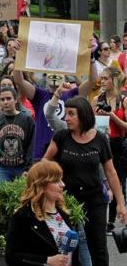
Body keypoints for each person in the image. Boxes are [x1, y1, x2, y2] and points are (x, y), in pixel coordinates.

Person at [44, 96, 126, 266]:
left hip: (94, 199)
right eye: (66, 114)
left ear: (83, 116)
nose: (66, 118)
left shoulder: (100, 139)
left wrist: (120, 203)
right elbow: (45, 162)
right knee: (68, 246)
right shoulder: (61, 136)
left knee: (98, 247)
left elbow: (111, 172)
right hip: (66, 199)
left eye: (71, 114)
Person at [5, 159, 80, 266]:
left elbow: (73, 257)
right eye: (56, 181)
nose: (62, 184)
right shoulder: (23, 216)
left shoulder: (63, 214)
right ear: (42, 185)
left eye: (61, 179)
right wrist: (47, 260)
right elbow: (11, 256)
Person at [91, 67, 127, 232]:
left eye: (105, 78)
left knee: (116, 180)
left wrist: (110, 114)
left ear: (113, 79)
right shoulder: (97, 99)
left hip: (117, 143)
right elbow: (89, 124)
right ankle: (98, 216)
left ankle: (111, 220)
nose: (102, 82)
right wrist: (98, 116)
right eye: (101, 78)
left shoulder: (123, 100)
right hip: (100, 142)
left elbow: (125, 127)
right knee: (99, 179)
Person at [0, 86, 35, 182]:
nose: (5, 102)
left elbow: (31, 145)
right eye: (2, 99)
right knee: (0, 193)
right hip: (1, 167)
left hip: (21, 167)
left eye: (8, 98)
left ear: (16, 100)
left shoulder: (27, 119)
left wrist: (28, 168)